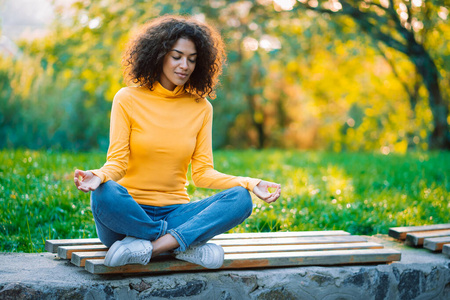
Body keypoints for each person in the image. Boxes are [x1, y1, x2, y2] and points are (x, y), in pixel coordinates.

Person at [74, 15, 281, 269]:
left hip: (176, 213)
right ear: (159, 55)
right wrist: (98, 175)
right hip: (128, 216)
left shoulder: (201, 108)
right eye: (177, 56)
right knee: (103, 193)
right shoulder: (127, 99)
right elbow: (118, 163)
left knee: (241, 199)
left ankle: (152, 247)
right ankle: (181, 243)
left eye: (192, 59)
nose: (185, 65)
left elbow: (203, 174)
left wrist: (251, 183)